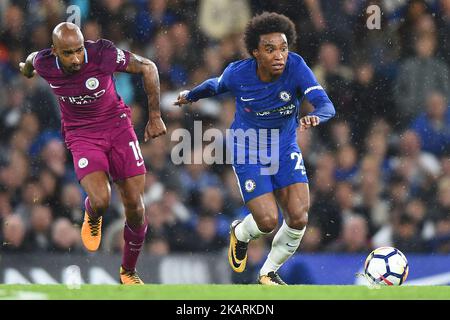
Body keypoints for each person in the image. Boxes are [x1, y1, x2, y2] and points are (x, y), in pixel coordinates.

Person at [175, 12, 335, 285]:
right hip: (248, 148)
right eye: (270, 49)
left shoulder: (296, 67)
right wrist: (191, 95)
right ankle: (241, 232)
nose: (279, 55)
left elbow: (326, 104)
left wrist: (316, 115)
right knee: (268, 221)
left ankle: (268, 272)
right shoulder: (239, 73)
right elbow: (215, 85)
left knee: (298, 216)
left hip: (284, 147)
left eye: (283, 48)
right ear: (255, 53)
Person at [19, 22, 167, 284]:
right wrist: (26, 68)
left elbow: (148, 67)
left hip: (118, 127)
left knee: (134, 205)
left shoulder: (102, 54)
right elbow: (31, 60)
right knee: (100, 200)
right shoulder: (44, 62)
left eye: (78, 50)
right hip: (81, 134)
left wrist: (154, 116)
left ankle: (128, 271)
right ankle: (93, 214)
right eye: (68, 53)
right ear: (54, 51)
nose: (76, 59)